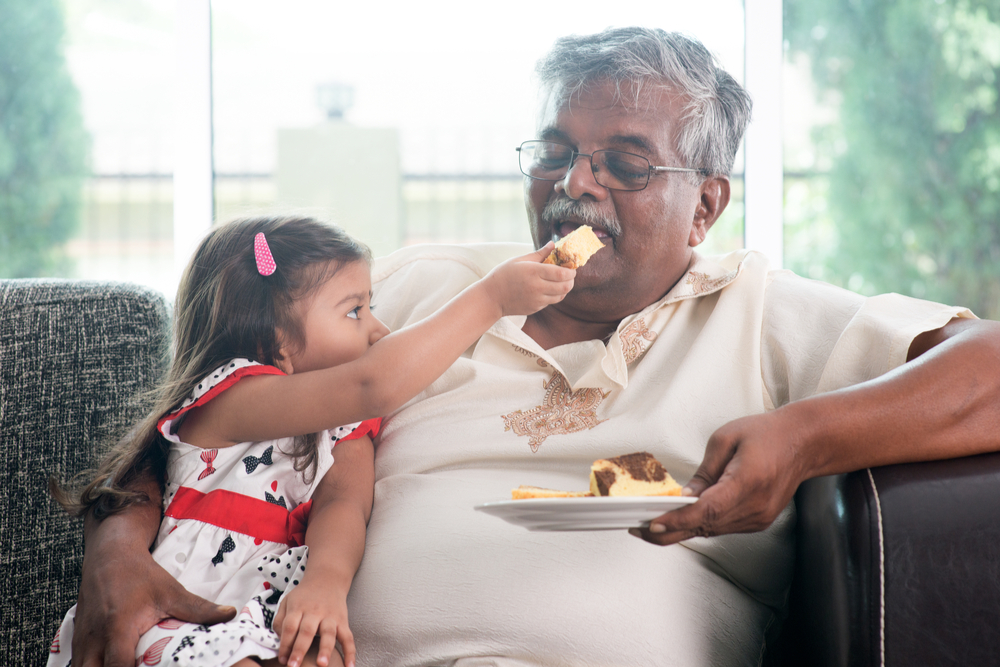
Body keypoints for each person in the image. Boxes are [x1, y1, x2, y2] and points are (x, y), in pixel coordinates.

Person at [66, 28, 1000, 667]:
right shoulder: (419, 291)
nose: (574, 185)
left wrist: (806, 436)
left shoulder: (768, 313)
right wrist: (116, 541)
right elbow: (212, 401)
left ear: (706, 205)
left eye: (624, 164)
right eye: (554, 152)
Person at [47, 216, 574, 667]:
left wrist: (326, 581)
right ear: (278, 341)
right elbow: (374, 381)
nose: (379, 330)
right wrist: (492, 298)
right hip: (176, 614)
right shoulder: (232, 400)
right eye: (355, 311)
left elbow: (344, 504)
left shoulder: (346, 428)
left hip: (268, 619)